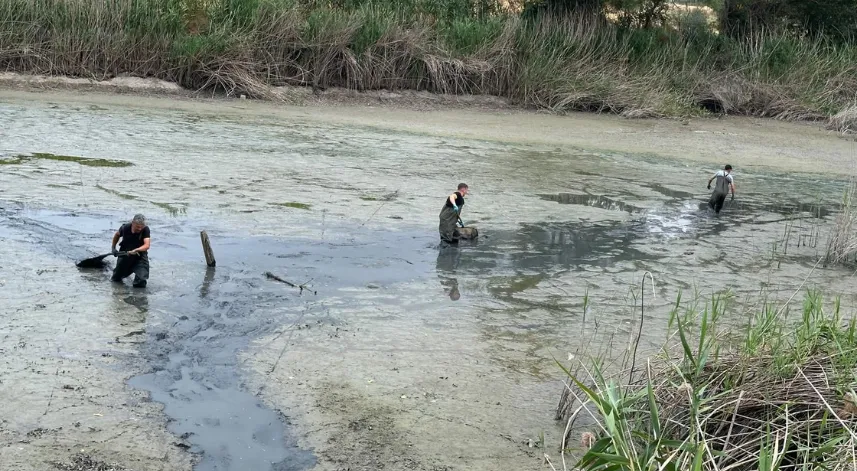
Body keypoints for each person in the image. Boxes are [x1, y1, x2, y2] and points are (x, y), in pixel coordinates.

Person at [111, 214, 151, 288]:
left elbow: (147, 245)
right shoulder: (125, 228)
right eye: (138, 227)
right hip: (125, 255)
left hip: (140, 256)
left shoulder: (145, 229)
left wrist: (136, 250)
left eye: (141, 227)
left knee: (141, 281)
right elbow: (117, 235)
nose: (140, 229)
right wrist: (113, 248)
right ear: (133, 223)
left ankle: (137, 297)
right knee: (116, 279)